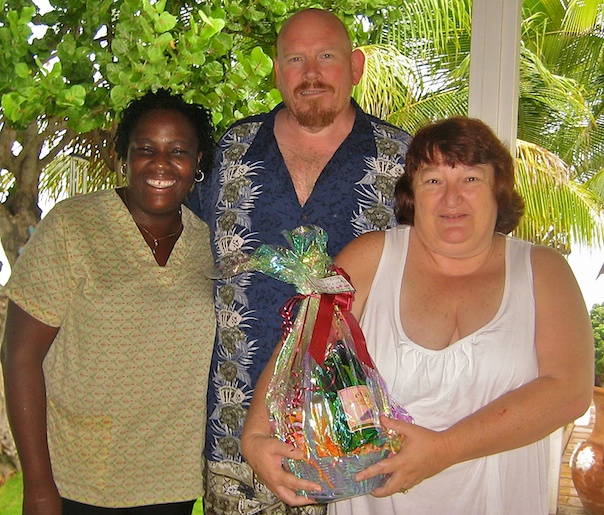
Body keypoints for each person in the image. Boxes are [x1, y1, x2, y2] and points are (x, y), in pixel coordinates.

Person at [241, 116, 594, 514]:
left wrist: (444, 449)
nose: (451, 197)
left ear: (499, 189)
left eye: (471, 179)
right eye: (433, 180)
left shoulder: (542, 270)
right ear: (412, 193)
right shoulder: (370, 257)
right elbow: (301, 346)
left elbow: (569, 391)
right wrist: (254, 437)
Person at [186, 7, 411, 515]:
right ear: (276, 71)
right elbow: (172, 231)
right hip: (235, 437)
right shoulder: (232, 150)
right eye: (295, 59)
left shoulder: (404, 160)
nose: (311, 74)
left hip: (355, 445)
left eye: (326, 57)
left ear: (355, 66)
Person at [1, 89, 216, 515]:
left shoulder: (208, 242)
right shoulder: (73, 226)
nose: (160, 164)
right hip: (79, 477)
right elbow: (20, 355)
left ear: (198, 164)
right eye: (145, 149)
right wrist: (38, 486)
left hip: (173, 478)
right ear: (124, 156)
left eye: (178, 151)